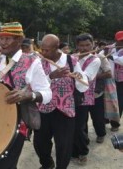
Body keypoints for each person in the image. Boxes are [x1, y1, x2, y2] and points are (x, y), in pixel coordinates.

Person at [0, 22, 52, 169]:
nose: (2, 43)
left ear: (20, 40)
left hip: (17, 123)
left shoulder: (32, 61)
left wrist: (27, 95)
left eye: (8, 39)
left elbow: (47, 94)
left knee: (6, 165)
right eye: (1, 38)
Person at [34, 34, 88, 169]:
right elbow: (35, 86)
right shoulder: (39, 62)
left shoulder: (71, 60)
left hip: (65, 109)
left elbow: (83, 86)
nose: (43, 53)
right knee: (40, 143)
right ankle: (47, 163)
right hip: (44, 108)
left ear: (57, 47)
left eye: (47, 50)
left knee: (64, 145)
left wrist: (79, 78)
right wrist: (51, 76)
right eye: (42, 49)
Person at [72, 33, 101, 165]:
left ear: (93, 44)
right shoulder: (72, 57)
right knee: (70, 125)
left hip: (84, 98)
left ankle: (83, 152)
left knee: (79, 126)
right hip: (69, 97)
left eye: (88, 45)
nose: (84, 48)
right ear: (77, 46)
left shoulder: (95, 60)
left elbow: (85, 78)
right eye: (81, 45)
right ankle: (73, 151)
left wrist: (74, 63)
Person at [103, 31, 123, 132]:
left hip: (121, 81)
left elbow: (121, 61)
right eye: (121, 41)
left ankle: (115, 123)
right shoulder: (109, 48)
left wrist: (109, 56)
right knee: (106, 99)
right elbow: (99, 57)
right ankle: (105, 119)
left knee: (118, 102)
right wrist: (103, 53)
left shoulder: (110, 51)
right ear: (116, 40)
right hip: (109, 78)